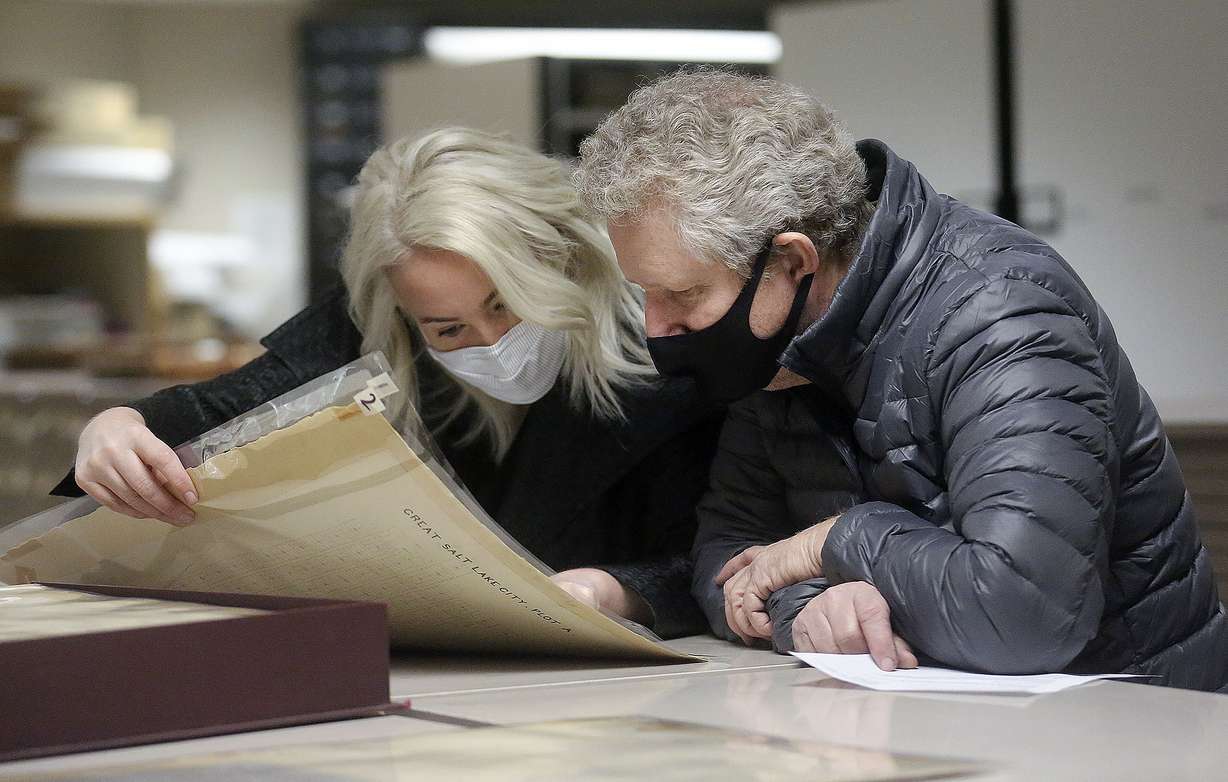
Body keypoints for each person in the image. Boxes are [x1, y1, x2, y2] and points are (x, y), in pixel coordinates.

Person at [573, 69, 1228, 690]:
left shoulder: (1000, 312)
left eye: (683, 294)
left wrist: (834, 542)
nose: (659, 327)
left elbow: (1027, 615)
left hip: (1132, 717)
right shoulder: (775, 344)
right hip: (927, 716)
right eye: (646, 295)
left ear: (792, 260)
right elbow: (728, 556)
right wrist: (815, 608)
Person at [54, 127, 723, 638]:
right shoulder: (363, 335)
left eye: (505, 304)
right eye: (447, 328)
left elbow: (723, 548)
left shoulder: (668, 354)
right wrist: (114, 427)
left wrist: (614, 591)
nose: (493, 345)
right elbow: (206, 415)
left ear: (564, 258)